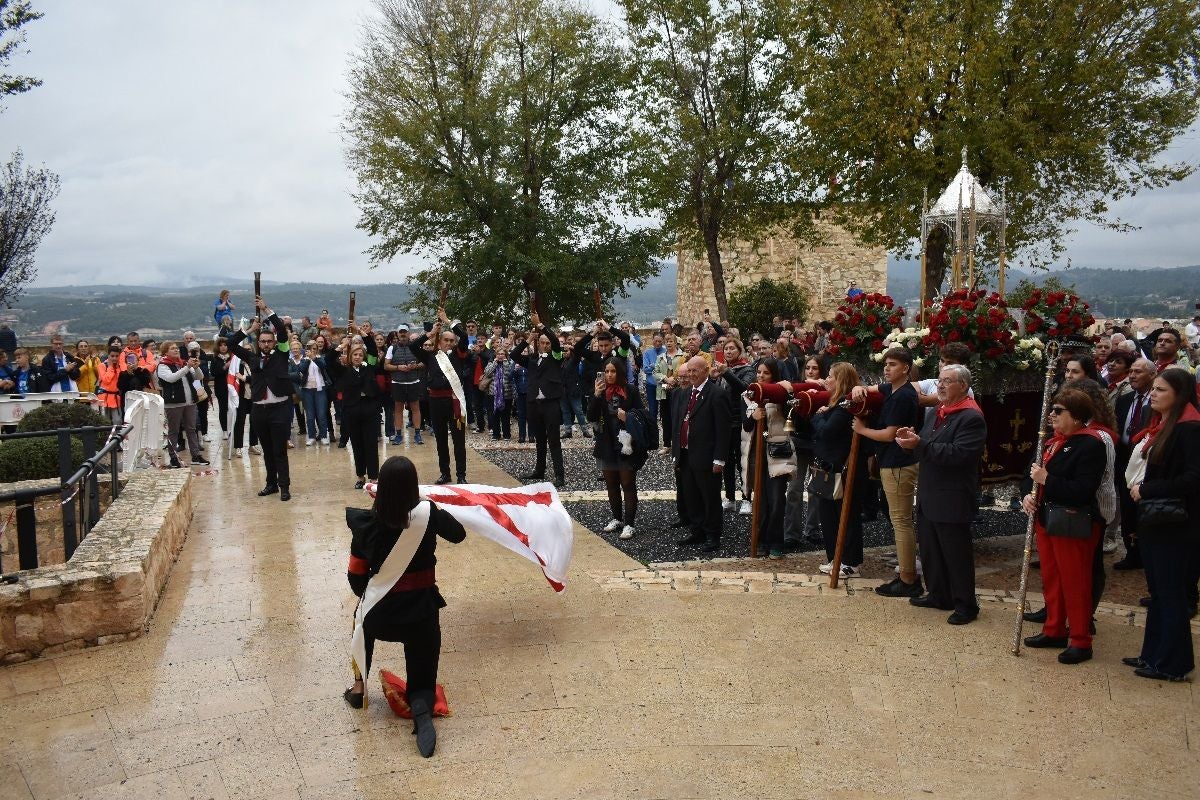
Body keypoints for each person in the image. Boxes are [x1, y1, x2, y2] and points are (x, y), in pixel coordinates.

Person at [344, 456, 466, 758]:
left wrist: (373, 595)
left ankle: (359, 689)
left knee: (361, 616)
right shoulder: (428, 515)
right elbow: (459, 534)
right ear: (413, 487)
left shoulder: (365, 524)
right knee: (423, 658)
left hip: (381, 617)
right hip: (421, 614)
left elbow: (356, 577)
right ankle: (421, 705)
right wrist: (430, 507)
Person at [1019, 388, 1113, 663]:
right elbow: (1029, 476)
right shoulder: (1050, 442)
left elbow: (1083, 489)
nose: (1052, 415)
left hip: (1073, 521)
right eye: (1052, 409)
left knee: (1075, 582)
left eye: (1058, 411)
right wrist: (1027, 495)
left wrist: (1047, 479)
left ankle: (1081, 640)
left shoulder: (1091, 444)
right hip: (1047, 518)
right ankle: (1054, 629)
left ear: (1077, 416)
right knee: (1052, 578)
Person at [896, 364, 987, 624]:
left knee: (956, 554)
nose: (941, 386)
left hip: (953, 495)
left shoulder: (971, 417)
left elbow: (959, 454)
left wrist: (921, 444)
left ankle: (966, 605)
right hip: (930, 492)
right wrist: (910, 442)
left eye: (948, 381)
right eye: (940, 381)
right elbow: (927, 443)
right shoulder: (938, 410)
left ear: (964, 386)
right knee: (931, 549)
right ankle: (938, 594)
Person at [1126, 368, 1200, 681]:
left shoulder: (1190, 429)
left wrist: (1147, 489)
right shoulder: (1164, 425)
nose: (1153, 394)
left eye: (1161, 390)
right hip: (1157, 521)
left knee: (1170, 592)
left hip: (1175, 523)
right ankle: (1153, 654)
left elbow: (1193, 478)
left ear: (1179, 395)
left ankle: (1173, 663)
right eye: (1153, 389)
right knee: (1158, 590)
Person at [851, 348, 923, 597]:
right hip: (892, 461)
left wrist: (862, 430)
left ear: (906, 368)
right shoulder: (892, 389)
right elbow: (873, 388)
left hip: (898, 463)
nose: (886, 368)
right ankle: (906, 575)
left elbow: (890, 434)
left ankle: (908, 579)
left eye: (892, 364)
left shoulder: (904, 395)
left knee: (901, 521)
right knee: (899, 520)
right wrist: (859, 387)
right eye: (885, 364)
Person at [227, 297, 294, 501]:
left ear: (274, 342)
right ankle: (271, 483)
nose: (265, 344)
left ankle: (284, 486)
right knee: (267, 450)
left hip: (280, 408)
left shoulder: (282, 353)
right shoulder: (252, 357)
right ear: (258, 342)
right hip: (259, 410)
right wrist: (249, 330)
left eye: (269, 341)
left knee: (279, 450)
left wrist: (266, 310)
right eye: (262, 341)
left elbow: (281, 330)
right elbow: (231, 343)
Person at [672, 355, 733, 552]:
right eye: (689, 371)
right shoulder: (684, 394)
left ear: (706, 371)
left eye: (695, 371)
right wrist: (676, 451)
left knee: (710, 497)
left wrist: (720, 458)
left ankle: (713, 534)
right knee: (691, 495)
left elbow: (723, 429)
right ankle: (697, 530)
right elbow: (678, 423)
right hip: (686, 454)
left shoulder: (717, 394)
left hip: (706, 455)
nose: (691, 374)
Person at [811, 363, 866, 578]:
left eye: (830, 376)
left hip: (843, 469)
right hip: (829, 466)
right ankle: (835, 558)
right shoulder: (834, 404)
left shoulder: (844, 406)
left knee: (847, 515)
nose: (826, 379)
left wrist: (818, 416)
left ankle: (851, 562)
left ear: (841, 380)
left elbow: (827, 431)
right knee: (829, 516)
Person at [587, 356, 649, 540]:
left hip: (626, 442)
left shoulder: (630, 390)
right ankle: (617, 518)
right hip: (606, 442)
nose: (609, 375)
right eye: (606, 371)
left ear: (620, 372)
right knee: (611, 484)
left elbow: (642, 414)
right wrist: (596, 395)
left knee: (627, 483)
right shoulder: (600, 390)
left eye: (613, 371)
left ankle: (629, 524)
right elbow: (591, 416)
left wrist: (627, 417)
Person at [742, 358, 797, 559]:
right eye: (759, 372)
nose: (761, 376)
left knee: (776, 500)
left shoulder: (781, 394)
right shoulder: (749, 395)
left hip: (777, 454)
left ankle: (775, 541)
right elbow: (745, 426)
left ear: (773, 374)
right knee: (761, 501)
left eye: (766, 373)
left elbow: (793, 415)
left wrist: (785, 392)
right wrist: (753, 416)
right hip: (756, 455)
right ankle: (761, 540)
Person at [410, 309, 472, 485]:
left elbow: (464, 336)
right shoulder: (431, 356)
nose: (449, 343)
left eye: (452, 341)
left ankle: (461, 475)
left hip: (455, 402)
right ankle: (445, 473)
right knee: (441, 440)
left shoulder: (459, 355)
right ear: (440, 341)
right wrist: (430, 333)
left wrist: (448, 320)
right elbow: (413, 346)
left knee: (458, 440)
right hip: (436, 402)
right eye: (446, 340)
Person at [511, 312, 566, 488]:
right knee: (539, 439)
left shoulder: (556, 357)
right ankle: (539, 469)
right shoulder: (532, 359)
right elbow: (514, 354)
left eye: (547, 343)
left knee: (554, 440)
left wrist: (540, 324)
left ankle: (559, 474)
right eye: (542, 343)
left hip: (551, 403)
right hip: (534, 403)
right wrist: (528, 340)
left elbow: (556, 342)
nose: (545, 345)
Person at [1113, 357, 1156, 570]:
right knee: (1127, 507)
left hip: (1145, 461)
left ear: (1152, 375)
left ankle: (1145, 551)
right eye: (1131, 371)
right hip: (1124, 459)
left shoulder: (1155, 402)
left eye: (1138, 371)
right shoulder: (1125, 400)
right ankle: (1131, 552)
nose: (1132, 375)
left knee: (1141, 507)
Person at [326, 333, 384, 489]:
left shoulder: (369, 367)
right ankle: (360, 476)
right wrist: (341, 346)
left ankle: (374, 477)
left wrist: (363, 334)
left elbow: (372, 350)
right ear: (350, 356)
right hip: (352, 411)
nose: (358, 357)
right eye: (355, 355)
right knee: (357, 444)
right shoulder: (343, 370)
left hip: (370, 410)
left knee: (371, 444)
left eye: (360, 355)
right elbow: (328, 360)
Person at [783, 356, 826, 549]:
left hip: (817, 443)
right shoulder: (797, 388)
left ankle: (812, 530)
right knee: (794, 488)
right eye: (807, 367)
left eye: (814, 368)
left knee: (816, 489)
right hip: (799, 442)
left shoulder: (827, 389)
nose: (810, 371)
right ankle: (792, 533)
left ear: (821, 371)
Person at [156, 341, 209, 468]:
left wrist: (196, 367)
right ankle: (173, 458)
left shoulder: (183, 363)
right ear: (165, 352)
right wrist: (187, 367)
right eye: (172, 348)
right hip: (173, 403)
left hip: (190, 402)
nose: (176, 350)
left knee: (191, 429)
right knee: (174, 431)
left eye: (176, 348)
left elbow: (199, 377)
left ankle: (196, 456)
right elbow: (172, 378)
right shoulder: (163, 365)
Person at [384, 324, 425, 446]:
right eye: (400, 332)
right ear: (397, 334)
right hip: (398, 382)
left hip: (413, 381)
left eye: (405, 332)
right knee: (398, 410)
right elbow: (386, 365)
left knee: (415, 408)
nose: (402, 334)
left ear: (408, 333)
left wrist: (415, 366)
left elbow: (425, 362)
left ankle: (417, 434)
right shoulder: (392, 348)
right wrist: (398, 367)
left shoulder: (416, 347)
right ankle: (398, 435)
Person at [654, 331, 684, 452]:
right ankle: (667, 444)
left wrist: (674, 380)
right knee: (666, 418)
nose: (669, 343)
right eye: (666, 341)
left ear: (676, 342)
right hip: (664, 390)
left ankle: (679, 443)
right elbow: (655, 372)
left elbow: (685, 370)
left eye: (671, 341)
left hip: (679, 389)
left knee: (679, 416)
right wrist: (666, 379)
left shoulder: (683, 356)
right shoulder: (660, 357)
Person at [296, 340, 331, 445]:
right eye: (309, 349)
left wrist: (314, 358)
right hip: (307, 390)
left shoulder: (321, 358)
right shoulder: (304, 360)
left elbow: (323, 366)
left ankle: (324, 435)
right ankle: (311, 436)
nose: (312, 351)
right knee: (310, 415)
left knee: (321, 414)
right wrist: (308, 359)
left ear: (317, 349)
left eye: (314, 349)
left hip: (320, 390)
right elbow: (301, 370)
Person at [481, 345, 515, 440]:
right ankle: (496, 434)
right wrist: (495, 363)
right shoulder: (491, 363)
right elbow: (487, 373)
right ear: (495, 355)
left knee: (506, 415)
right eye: (499, 354)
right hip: (493, 393)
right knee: (494, 415)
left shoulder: (509, 363)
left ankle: (507, 434)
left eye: (502, 354)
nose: (500, 356)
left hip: (507, 394)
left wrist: (505, 363)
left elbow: (509, 375)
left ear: (506, 355)